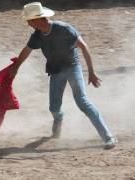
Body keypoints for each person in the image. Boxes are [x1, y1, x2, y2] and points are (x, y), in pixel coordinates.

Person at [9, 2, 117, 149]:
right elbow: (26, 51)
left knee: (82, 102)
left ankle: (108, 137)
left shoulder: (64, 29)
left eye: (29, 20)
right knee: (53, 108)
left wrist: (91, 72)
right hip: (55, 71)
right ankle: (58, 120)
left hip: (73, 68)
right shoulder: (37, 36)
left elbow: (84, 47)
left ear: (37, 19)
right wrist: (16, 67)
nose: (28, 24)